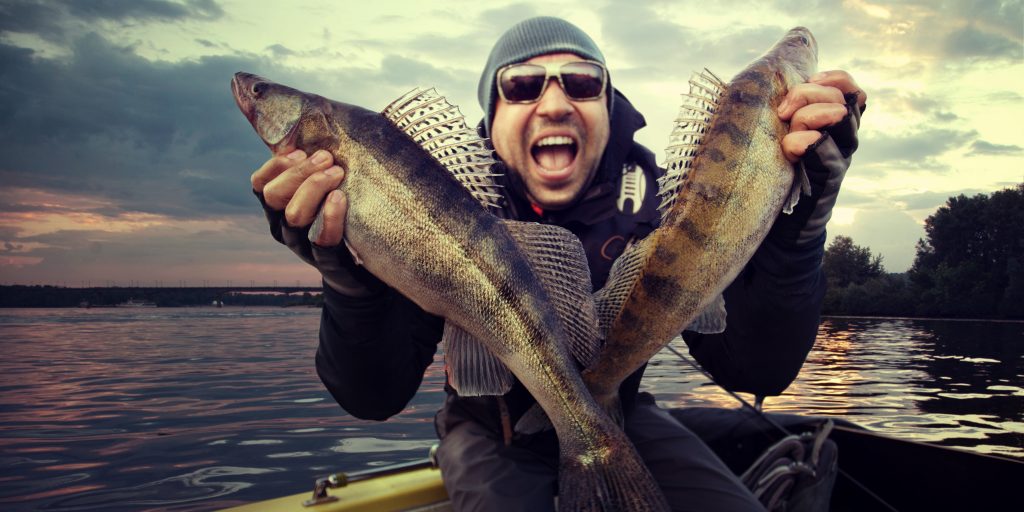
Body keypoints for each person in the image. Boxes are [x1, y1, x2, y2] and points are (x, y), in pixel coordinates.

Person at [249, 16, 864, 512]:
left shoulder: (668, 199)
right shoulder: (436, 204)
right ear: (491, 119)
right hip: (490, 430)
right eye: (521, 85)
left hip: (623, 410)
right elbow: (372, 397)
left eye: (582, 82)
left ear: (607, 104)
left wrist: (796, 229)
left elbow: (759, 370)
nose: (553, 102)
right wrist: (353, 282)